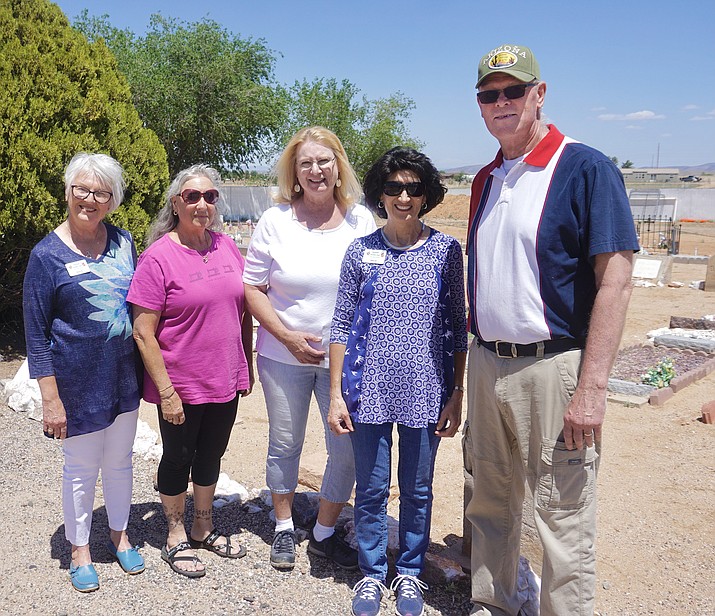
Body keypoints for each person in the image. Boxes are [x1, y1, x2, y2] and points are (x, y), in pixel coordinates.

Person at [464, 44, 639, 615]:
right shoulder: (488, 177)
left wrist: (591, 388)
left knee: (562, 516)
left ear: (539, 94)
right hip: (488, 361)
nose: (502, 103)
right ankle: (496, 603)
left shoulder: (584, 167)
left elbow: (614, 280)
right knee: (489, 504)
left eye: (514, 91)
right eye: (490, 94)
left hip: (554, 365)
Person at [328, 147, 468, 616]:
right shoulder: (361, 250)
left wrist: (457, 393)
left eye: (413, 188)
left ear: (425, 195)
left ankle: (408, 573)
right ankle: (371, 574)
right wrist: (335, 395)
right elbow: (342, 325)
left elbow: (456, 325)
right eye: (393, 188)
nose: (403, 196)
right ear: (380, 194)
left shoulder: (446, 251)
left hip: (427, 392)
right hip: (367, 390)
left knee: (418, 487)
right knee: (369, 488)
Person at [243, 126, 376, 571]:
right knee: (285, 443)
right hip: (283, 357)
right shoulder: (275, 221)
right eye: (306, 163)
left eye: (324, 161)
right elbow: (253, 288)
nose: (316, 170)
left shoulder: (361, 221)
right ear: (294, 173)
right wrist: (286, 337)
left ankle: (322, 533)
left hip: (346, 362)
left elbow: (375, 289)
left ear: (339, 167)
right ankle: (283, 528)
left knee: (347, 448)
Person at [23, 152, 144, 592]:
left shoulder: (124, 242)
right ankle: (79, 549)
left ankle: (120, 534)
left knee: (120, 463)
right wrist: (50, 399)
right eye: (82, 189)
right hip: (76, 386)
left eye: (101, 192)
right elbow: (35, 335)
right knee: (80, 469)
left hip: (123, 378)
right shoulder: (46, 255)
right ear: (68, 191)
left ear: (112, 200)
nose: (90, 199)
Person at [128, 164, 254, 578]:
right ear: (176, 202)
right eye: (192, 196)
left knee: (212, 453)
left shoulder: (226, 246)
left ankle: (203, 525)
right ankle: (175, 534)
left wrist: (245, 365)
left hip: (225, 377)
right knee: (178, 456)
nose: (202, 204)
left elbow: (242, 312)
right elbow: (143, 332)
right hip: (180, 383)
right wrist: (165, 391)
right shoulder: (158, 257)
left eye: (210, 196)